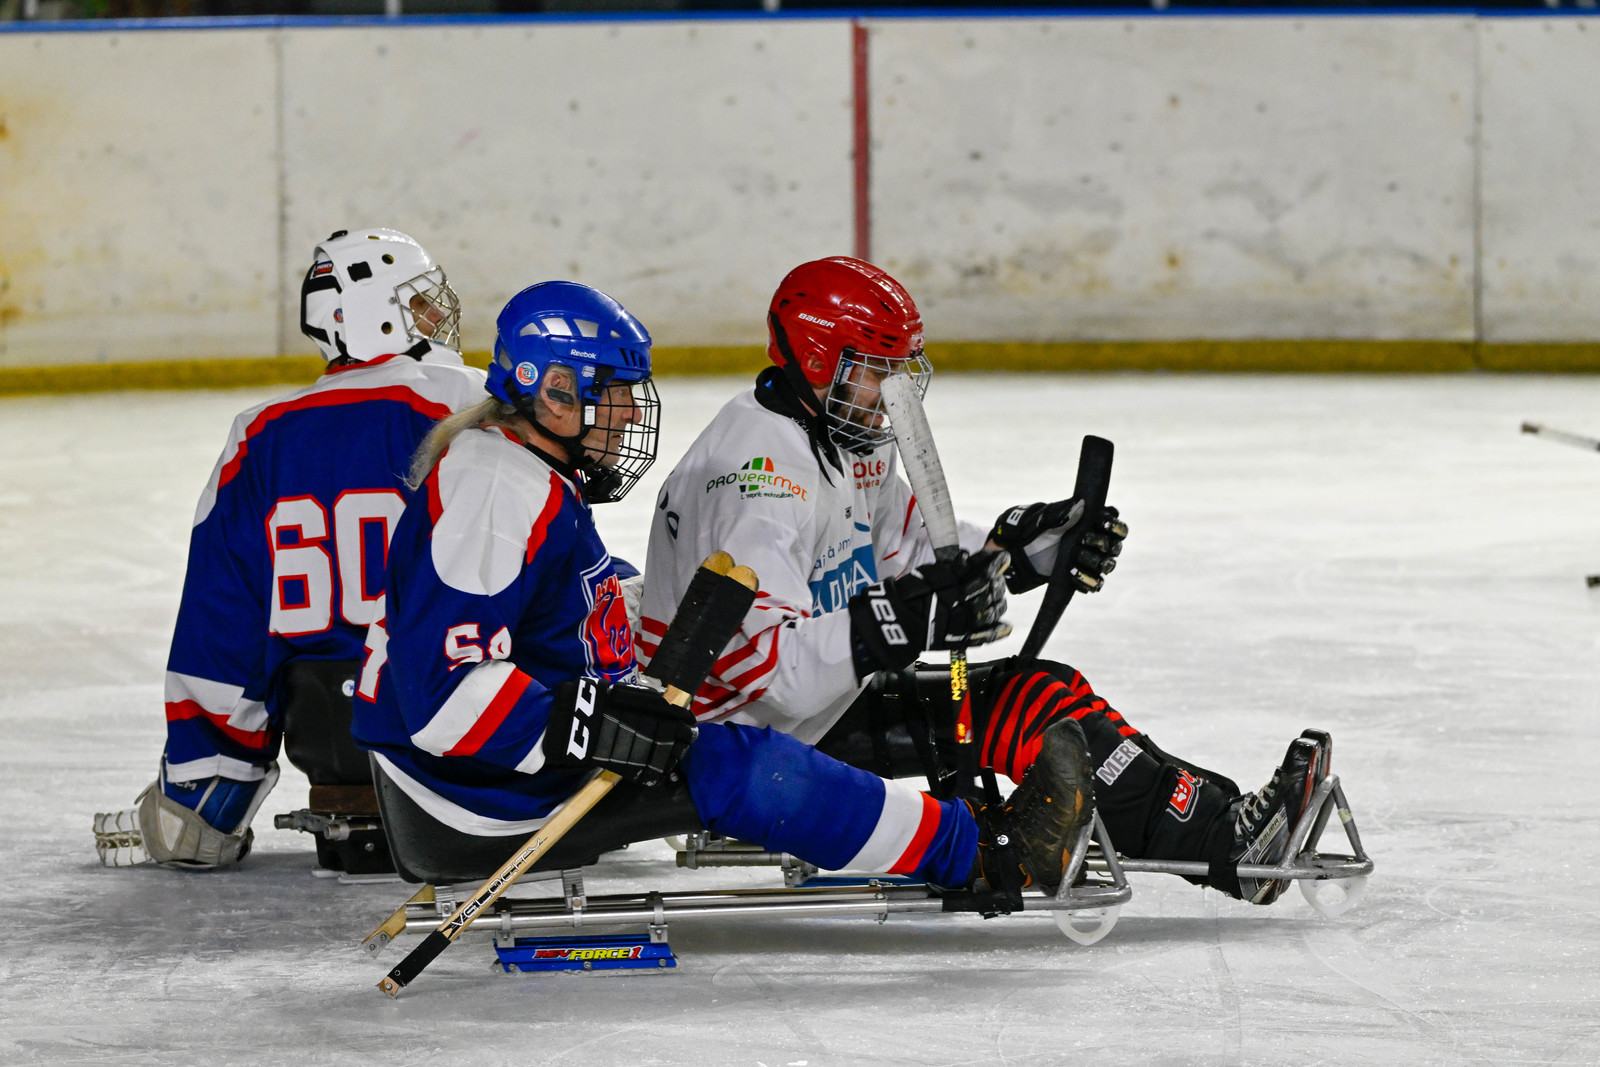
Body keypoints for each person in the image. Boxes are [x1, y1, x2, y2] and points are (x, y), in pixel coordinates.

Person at [350, 280, 1095, 907]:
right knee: (742, 765)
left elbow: (545, 610)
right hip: (476, 800)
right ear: (552, 392)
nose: (633, 414)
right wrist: (594, 720)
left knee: (723, 737)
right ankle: (991, 855)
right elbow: (443, 702)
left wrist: (1003, 559)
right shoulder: (495, 490)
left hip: (494, 770)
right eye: (613, 394)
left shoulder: (517, 473)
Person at [638, 256, 1330, 906]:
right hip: (740, 734)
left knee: (1043, 695)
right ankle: (1215, 841)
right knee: (1030, 703)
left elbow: (918, 556)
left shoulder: (842, 442)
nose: (895, 393)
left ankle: (1223, 828)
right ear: (821, 360)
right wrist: (902, 622)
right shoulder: (759, 478)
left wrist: (1019, 554)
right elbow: (772, 672)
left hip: (811, 710)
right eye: (878, 370)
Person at [95, 228, 487, 870]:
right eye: (417, 304)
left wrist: (206, 787)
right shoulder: (471, 403)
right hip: (468, 722)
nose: (436, 317)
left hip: (333, 731)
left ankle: (209, 791)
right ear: (369, 316)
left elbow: (222, 617)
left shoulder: (260, 434)